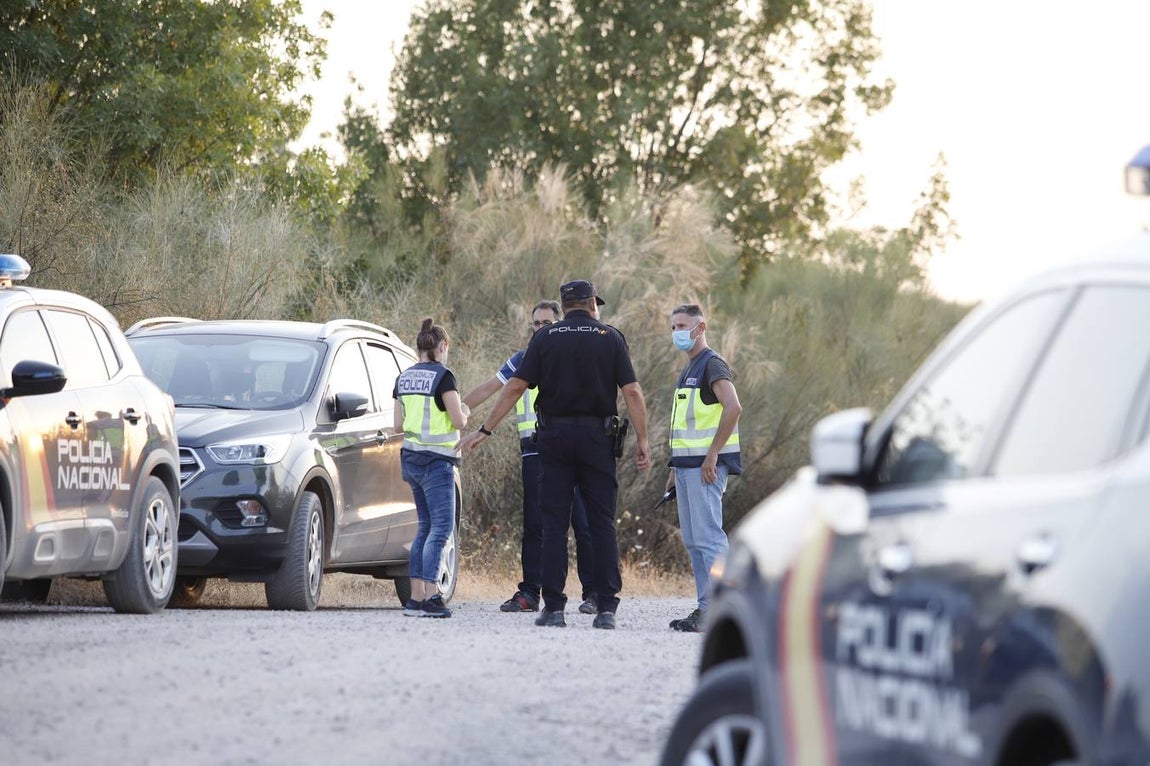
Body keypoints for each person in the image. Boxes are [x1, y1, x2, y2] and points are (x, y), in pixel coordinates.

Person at [460, 279, 650, 630]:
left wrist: (485, 429)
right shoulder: (611, 337)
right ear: (593, 302)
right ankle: (605, 607)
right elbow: (633, 392)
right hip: (597, 439)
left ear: (564, 306)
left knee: (553, 524)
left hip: (554, 438)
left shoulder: (544, 339)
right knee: (601, 522)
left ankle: (554, 608)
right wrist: (642, 439)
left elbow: (515, 386)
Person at [462, 300, 598, 615]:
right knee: (535, 526)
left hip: (571, 451)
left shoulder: (572, 357)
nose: (540, 329)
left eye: (546, 323)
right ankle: (529, 593)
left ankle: (593, 593)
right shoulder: (523, 359)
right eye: (535, 324)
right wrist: (455, 410)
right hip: (534, 454)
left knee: (583, 523)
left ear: (560, 323)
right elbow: (491, 389)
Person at [664, 304, 742, 633]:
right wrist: (674, 468)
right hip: (685, 468)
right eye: (673, 327)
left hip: (705, 468)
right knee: (695, 541)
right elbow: (686, 427)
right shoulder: (690, 367)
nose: (677, 332)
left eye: (682, 325)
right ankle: (705, 608)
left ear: (701, 327)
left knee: (709, 538)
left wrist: (713, 455)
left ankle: (724, 609)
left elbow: (733, 407)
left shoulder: (712, 364)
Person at [393, 317, 470, 618]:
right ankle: (431, 597)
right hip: (437, 462)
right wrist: (464, 410)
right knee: (441, 529)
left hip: (411, 459)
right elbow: (459, 420)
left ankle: (414, 600)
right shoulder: (444, 377)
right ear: (442, 346)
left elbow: (397, 424)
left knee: (424, 528)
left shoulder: (403, 378)